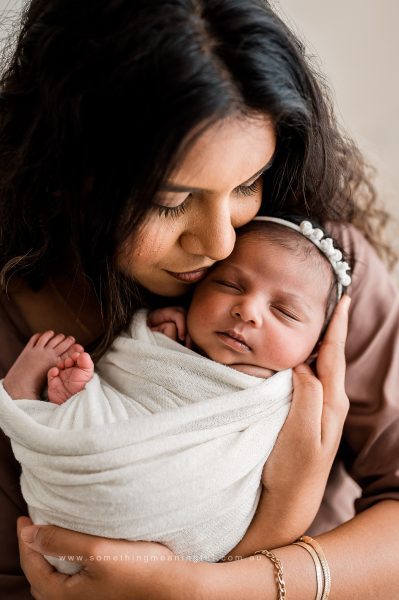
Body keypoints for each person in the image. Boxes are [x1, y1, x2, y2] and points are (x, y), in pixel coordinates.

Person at [0, 0, 397, 598]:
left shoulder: (314, 273)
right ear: (61, 171)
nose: (220, 242)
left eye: (246, 184)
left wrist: (221, 586)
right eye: (168, 202)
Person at [1, 217, 352, 574]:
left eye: (284, 311)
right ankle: (73, 402)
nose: (247, 310)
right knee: (100, 408)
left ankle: (50, 404)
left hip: (183, 523)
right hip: (88, 477)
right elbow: (134, 376)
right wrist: (158, 338)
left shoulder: (285, 397)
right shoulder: (158, 335)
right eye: (229, 284)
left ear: (315, 348)